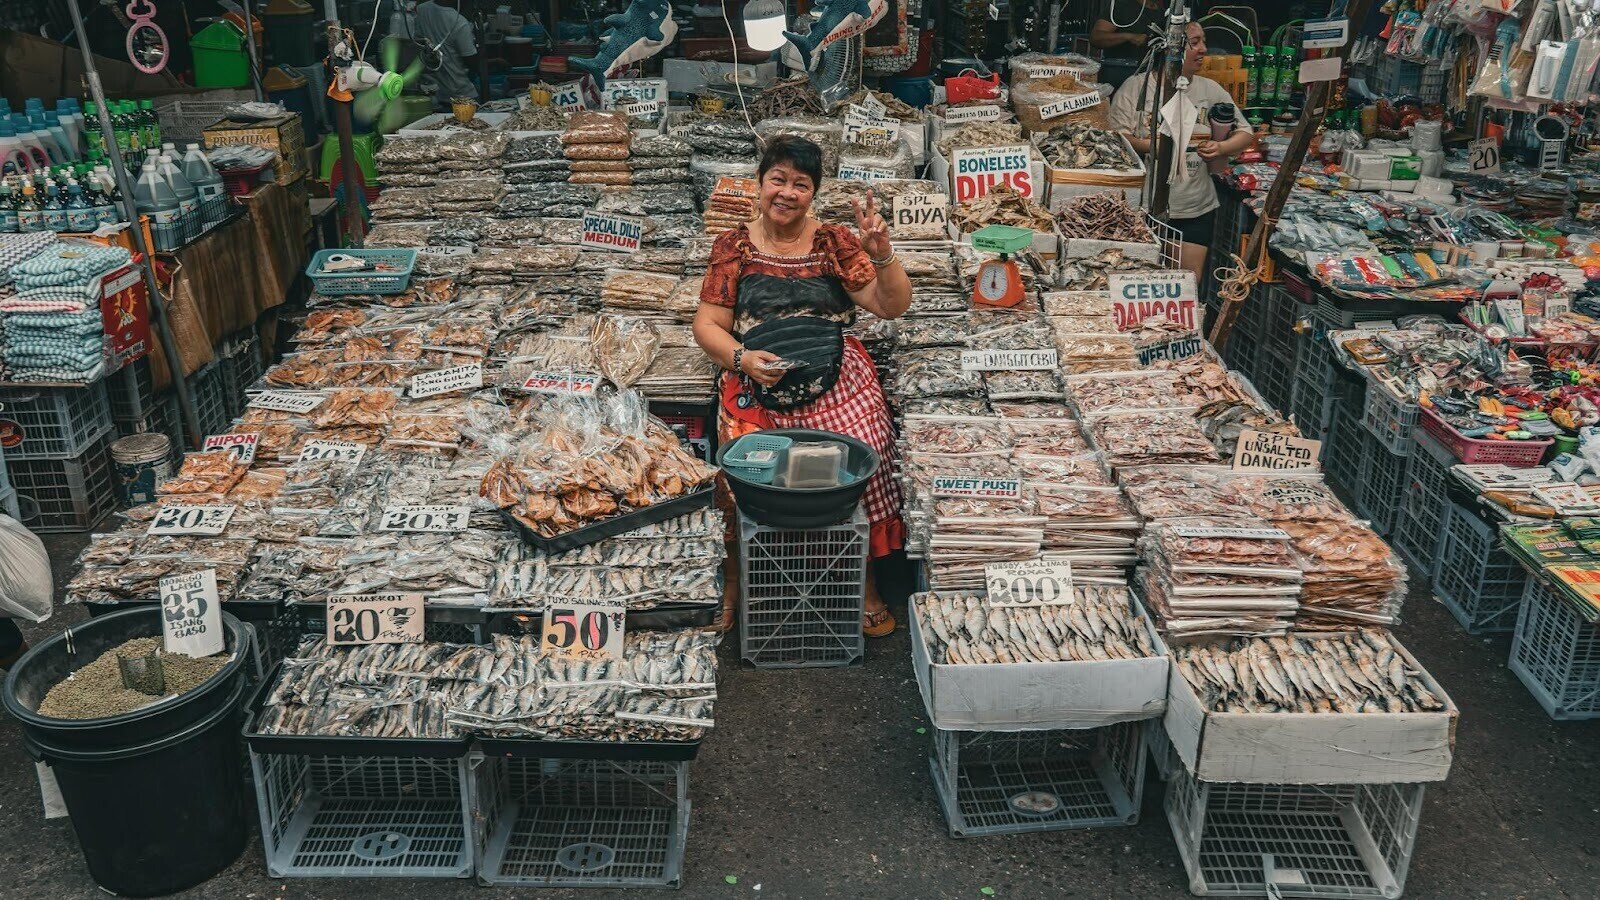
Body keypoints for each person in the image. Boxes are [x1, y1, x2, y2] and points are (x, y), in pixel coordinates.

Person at [694, 136, 912, 638]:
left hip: (834, 372)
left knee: (866, 450)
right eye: (778, 179)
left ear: (813, 192)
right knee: (739, 466)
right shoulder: (734, 245)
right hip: (758, 373)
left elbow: (890, 306)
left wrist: (882, 255)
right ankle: (735, 582)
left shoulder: (834, 240)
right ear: (760, 182)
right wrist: (743, 358)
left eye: (801, 183)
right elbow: (708, 324)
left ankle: (864, 581)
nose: (787, 192)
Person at [1109, 20, 1256, 285]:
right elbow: (1116, 138)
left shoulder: (1210, 90)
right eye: (1195, 43)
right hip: (1142, 208)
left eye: (1203, 41)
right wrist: (1163, 146)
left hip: (1193, 206)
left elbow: (1245, 133)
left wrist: (1220, 147)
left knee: (1184, 285)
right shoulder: (1136, 88)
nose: (1203, 49)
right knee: (1137, 281)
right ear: (1171, 48)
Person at [391, 0, 480, 108]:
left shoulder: (421, 9)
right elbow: (472, 62)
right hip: (460, 96)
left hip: (432, 92)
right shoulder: (459, 22)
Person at [1090, 0, 1166, 90]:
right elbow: (1096, 37)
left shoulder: (1163, 12)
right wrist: (1129, 37)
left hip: (1147, 78)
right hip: (1118, 74)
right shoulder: (1122, 5)